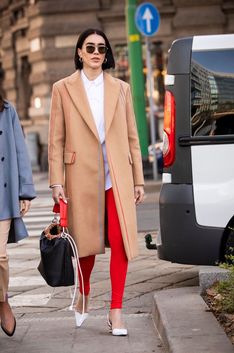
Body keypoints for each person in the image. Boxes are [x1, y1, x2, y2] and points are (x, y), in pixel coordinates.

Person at [48, 28, 145, 336]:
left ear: (106, 54)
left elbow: (132, 137)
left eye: (101, 48)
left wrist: (139, 180)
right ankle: (84, 293)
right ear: (79, 52)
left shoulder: (121, 88)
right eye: (89, 47)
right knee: (86, 245)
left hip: (117, 176)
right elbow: (55, 140)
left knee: (121, 243)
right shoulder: (62, 88)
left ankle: (116, 311)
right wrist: (55, 182)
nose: (95, 52)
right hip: (79, 176)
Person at [0, 95, 36, 337]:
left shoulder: (6, 110)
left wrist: (24, 191)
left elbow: (20, 152)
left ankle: (2, 301)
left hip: (2, 195)